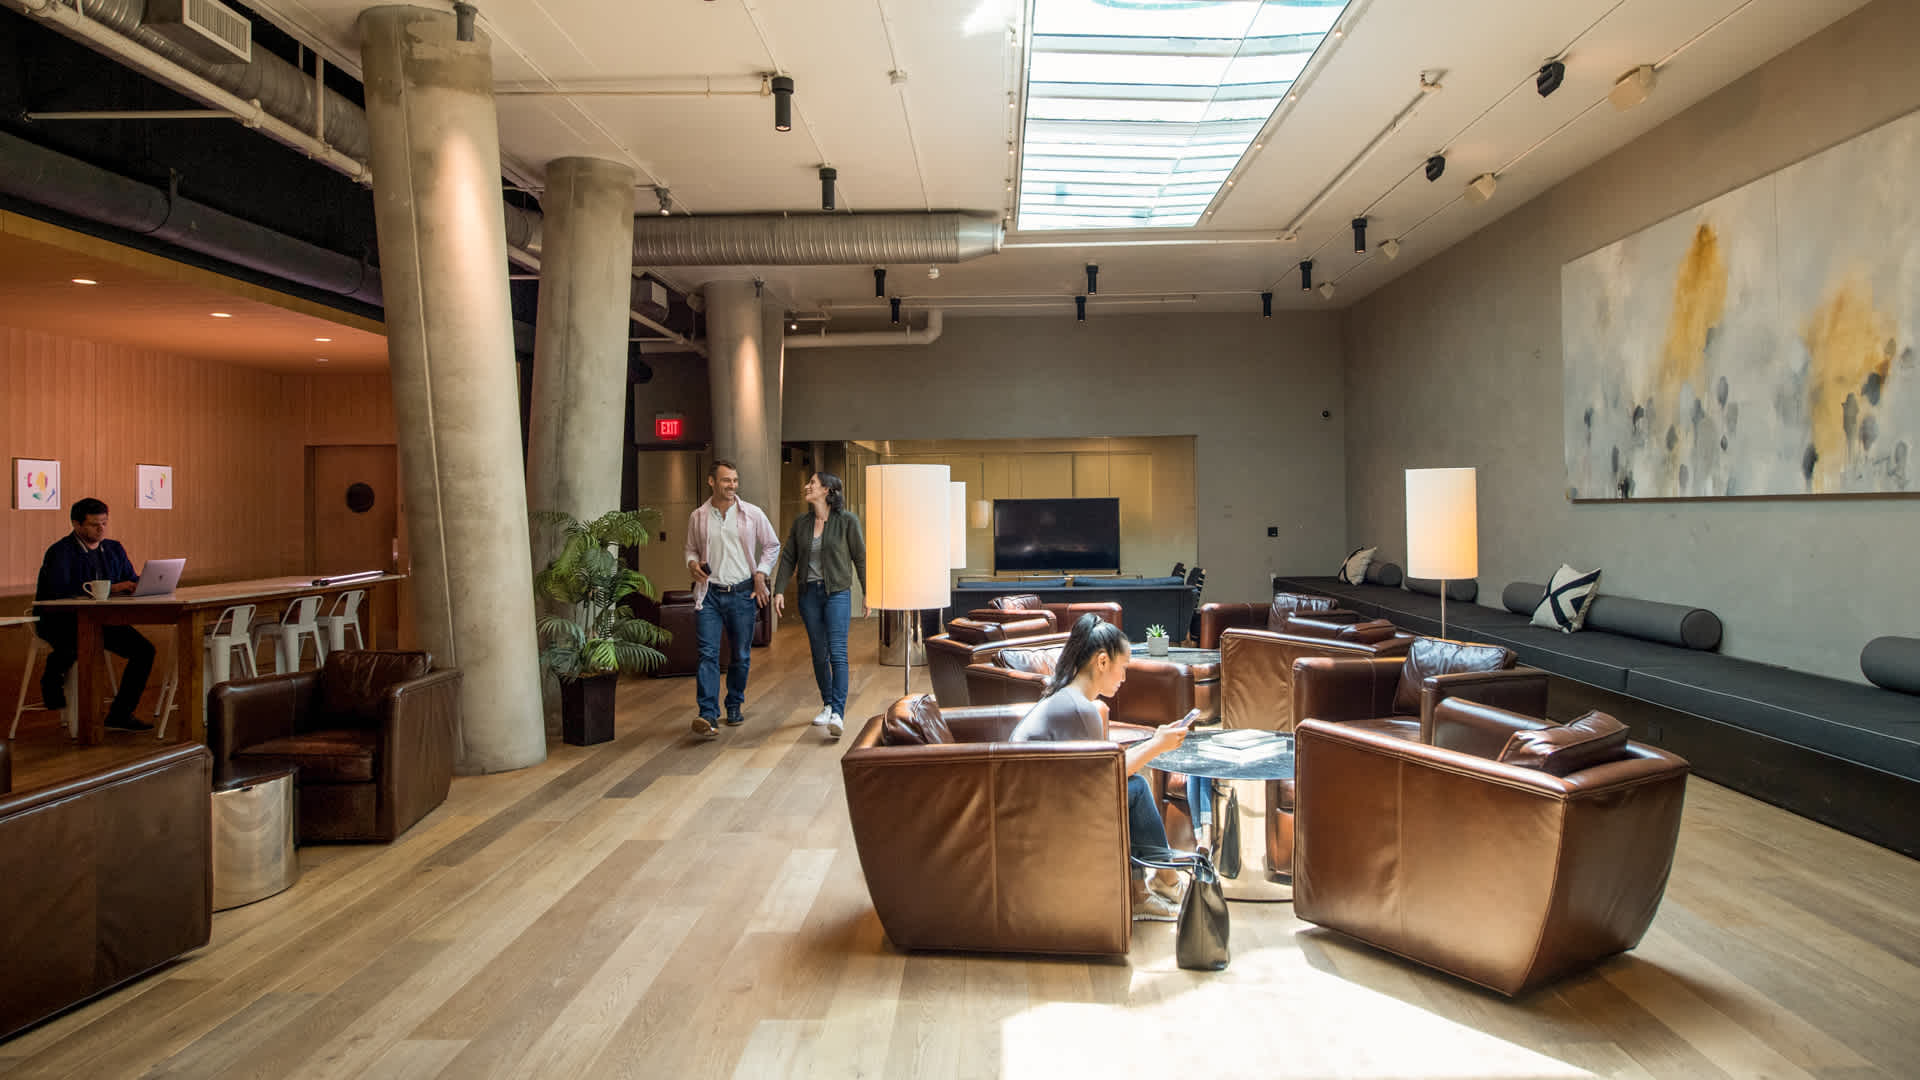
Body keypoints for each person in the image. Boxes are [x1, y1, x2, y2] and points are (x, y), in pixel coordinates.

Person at [1010, 613, 1192, 922]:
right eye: (1124, 667)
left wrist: (1154, 742)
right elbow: (1108, 777)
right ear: (1103, 661)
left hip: (1037, 805)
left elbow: (1104, 768)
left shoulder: (1069, 698)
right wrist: (1157, 745)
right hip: (1039, 817)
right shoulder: (1080, 709)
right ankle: (1163, 880)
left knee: (1132, 786)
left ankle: (1152, 886)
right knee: (1134, 788)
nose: (1124, 677)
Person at [32, 497, 157, 732]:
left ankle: (120, 714)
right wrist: (112, 588)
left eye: (104, 523)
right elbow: (59, 591)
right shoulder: (60, 552)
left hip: (103, 620)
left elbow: (129, 578)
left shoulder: (113, 549)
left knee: (144, 651)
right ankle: (53, 674)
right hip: (60, 620)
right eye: (94, 524)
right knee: (79, 643)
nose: (101, 529)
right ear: (76, 524)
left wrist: (141, 584)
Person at [683, 459, 780, 738]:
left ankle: (734, 703)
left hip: (742, 593)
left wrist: (761, 573)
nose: (732, 485)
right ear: (712, 481)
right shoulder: (698, 516)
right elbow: (690, 549)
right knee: (707, 654)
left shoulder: (752, 513)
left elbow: (772, 545)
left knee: (740, 655)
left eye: (735, 480)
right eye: (726, 480)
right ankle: (708, 714)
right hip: (709, 595)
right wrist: (692, 564)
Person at [772, 471, 867, 740]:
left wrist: (867, 592)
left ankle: (838, 712)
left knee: (837, 652)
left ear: (827, 490)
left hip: (837, 594)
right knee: (818, 653)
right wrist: (779, 590)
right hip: (809, 596)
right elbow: (788, 557)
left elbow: (860, 558)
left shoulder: (847, 521)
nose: (807, 486)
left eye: (812, 483)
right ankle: (827, 704)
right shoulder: (801, 523)